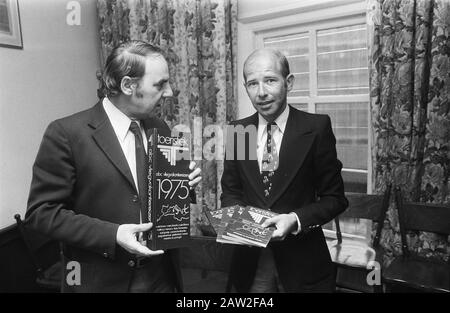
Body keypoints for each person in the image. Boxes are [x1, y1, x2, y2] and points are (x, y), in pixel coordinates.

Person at [26, 40, 201, 292]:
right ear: (128, 85)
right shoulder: (66, 133)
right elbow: (42, 213)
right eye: (160, 84)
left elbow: (160, 196)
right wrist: (114, 234)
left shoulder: (159, 127)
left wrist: (183, 184)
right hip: (102, 280)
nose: (170, 92)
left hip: (161, 274)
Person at [221, 48, 348, 292]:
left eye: (270, 80)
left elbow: (335, 199)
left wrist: (295, 219)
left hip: (303, 263)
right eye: (252, 84)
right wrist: (237, 222)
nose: (261, 92)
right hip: (252, 263)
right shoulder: (239, 132)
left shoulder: (316, 128)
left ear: (288, 82)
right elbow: (231, 191)